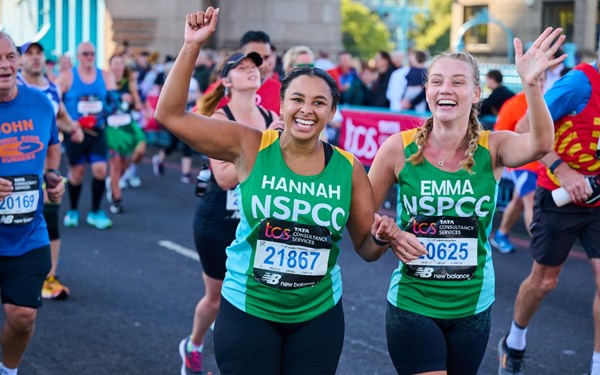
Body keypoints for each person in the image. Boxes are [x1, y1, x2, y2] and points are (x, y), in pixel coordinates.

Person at [156, 7, 403, 374]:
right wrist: (191, 45)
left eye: (320, 102)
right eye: (298, 99)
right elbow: (170, 115)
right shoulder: (249, 145)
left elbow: (366, 250)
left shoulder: (349, 170)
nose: (307, 110)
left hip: (317, 315)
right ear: (282, 104)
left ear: (332, 112)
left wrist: (383, 237)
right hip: (248, 308)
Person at [367, 27, 565, 374]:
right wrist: (388, 233)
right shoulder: (398, 148)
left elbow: (542, 144)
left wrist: (531, 85)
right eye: (437, 81)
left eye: (458, 82)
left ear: (476, 93)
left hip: (473, 308)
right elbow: (361, 220)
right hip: (413, 303)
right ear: (427, 90)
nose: (446, 89)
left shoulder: (495, 146)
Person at [498, 36, 600, 375]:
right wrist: (564, 169)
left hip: (597, 198)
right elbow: (524, 127)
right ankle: (514, 341)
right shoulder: (580, 83)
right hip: (558, 195)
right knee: (544, 282)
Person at [179, 50, 280, 375]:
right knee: (219, 299)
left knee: (256, 296)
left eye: (255, 66)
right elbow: (224, 178)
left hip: (257, 222)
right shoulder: (220, 121)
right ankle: (193, 345)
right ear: (226, 81)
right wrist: (267, 146)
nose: (252, 71)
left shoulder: (270, 117)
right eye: (242, 68)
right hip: (218, 220)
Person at [0, 31, 66, 374]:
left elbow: (52, 143)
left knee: (23, 316)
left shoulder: (40, 103)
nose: (5, 65)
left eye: (10, 56)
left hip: (28, 232)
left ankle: (7, 370)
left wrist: (52, 175)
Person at [17, 41, 84, 300]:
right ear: (20, 61)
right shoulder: (14, 88)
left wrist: (74, 128)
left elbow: (61, 116)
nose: (35, 58)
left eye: (38, 53)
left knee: (50, 217)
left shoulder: (52, 88)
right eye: (28, 54)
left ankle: (48, 276)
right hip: (16, 166)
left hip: (47, 166)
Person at [58, 41, 118, 230]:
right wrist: (68, 123)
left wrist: (101, 114)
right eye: (85, 54)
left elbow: (113, 102)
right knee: (76, 173)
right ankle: (73, 210)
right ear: (78, 56)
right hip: (74, 131)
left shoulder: (105, 76)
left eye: (92, 53)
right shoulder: (67, 77)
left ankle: (95, 211)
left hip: (96, 131)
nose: (89, 57)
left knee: (100, 169)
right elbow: (54, 102)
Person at [490, 70, 548, 254]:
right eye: (536, 78)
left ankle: (501, 234)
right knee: (530, 201)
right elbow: (498, 135)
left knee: (518, 201)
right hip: (523, 164)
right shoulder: (513, 104)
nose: (539, 82)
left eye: (542, 78)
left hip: (541, 164)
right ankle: (542, 249)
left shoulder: (547, 100)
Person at [105, 53, 147, 213]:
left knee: (139, 150)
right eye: (115, 63)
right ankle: (116, 199)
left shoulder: (129, 81)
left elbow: (138, 104)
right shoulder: (104, 82)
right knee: (115, 165)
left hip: (127, 124)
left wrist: (133, 102)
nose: (117, 67)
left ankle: (117, 180)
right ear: (110, 66)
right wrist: (116, 98)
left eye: (120, 64)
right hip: (111, 127)